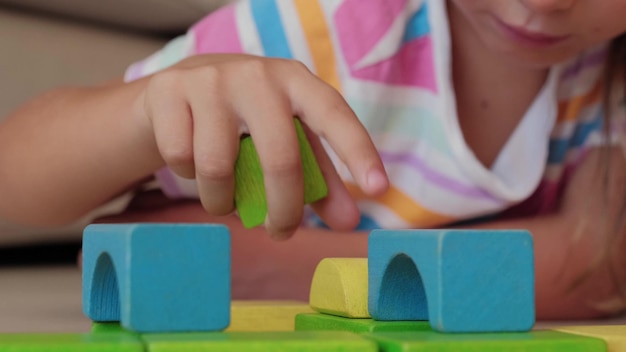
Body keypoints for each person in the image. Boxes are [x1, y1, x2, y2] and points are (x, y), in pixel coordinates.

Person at [0, 0, 624, 320]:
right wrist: (145, 112)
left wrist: (287, 267)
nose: (543, 3)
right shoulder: (322, 29)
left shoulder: (610, 72)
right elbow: (16, 182)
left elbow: (595, 265)